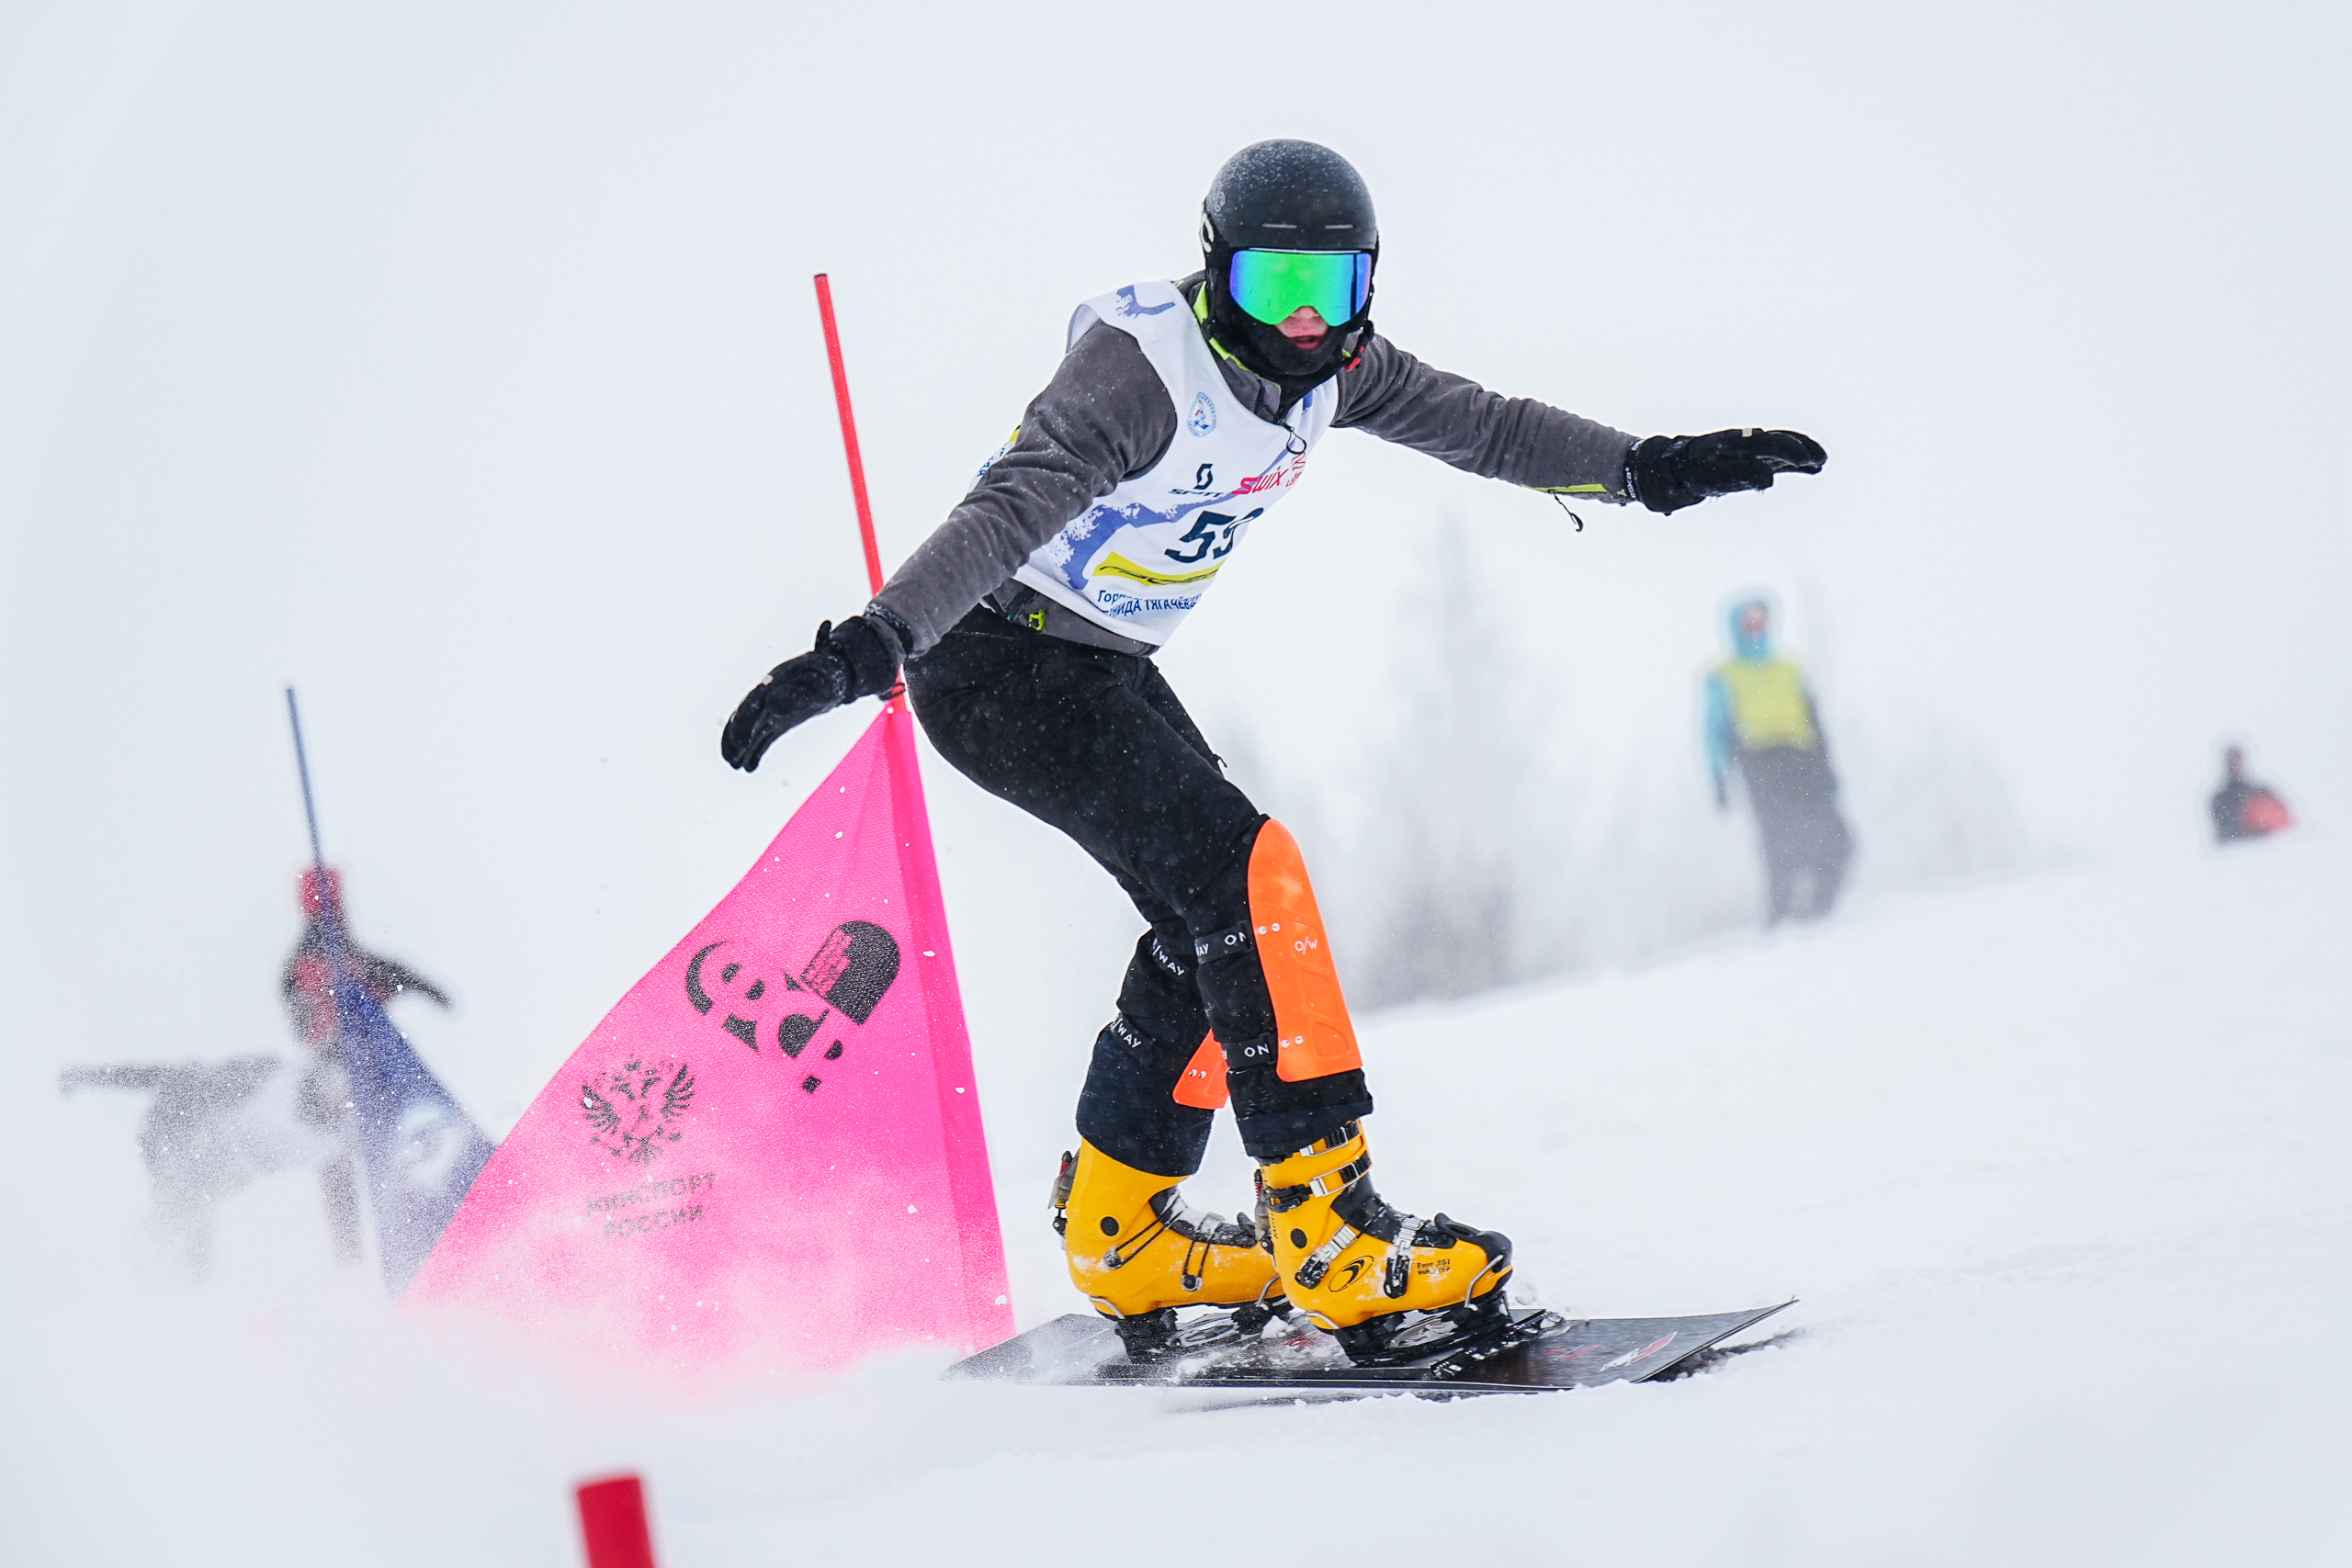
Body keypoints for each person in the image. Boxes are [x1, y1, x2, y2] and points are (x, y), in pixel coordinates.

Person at [720, 141, 1827, 1361]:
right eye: (1271, 283)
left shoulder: (1332, 370)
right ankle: (1327, 1223)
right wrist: (872, 641)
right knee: (1251, 874)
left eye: (1335, 287)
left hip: (1096, 663)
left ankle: (1122, 1227)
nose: (1303, 317)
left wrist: (1642, 470)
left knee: (1210, 918)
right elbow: (1013, 504)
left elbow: (1483, 424)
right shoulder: (1142, 373)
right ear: (1215, 273)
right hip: (995, 661)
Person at [280, 864, 452, 1263]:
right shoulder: (324, 953)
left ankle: (357, 1249)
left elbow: (386, 974)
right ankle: (374, 1246)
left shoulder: (329, 953)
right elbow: (381, 975)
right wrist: (421, 988)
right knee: (365, 1152)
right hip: (341, 1069)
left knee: (349, 1158)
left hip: (349, 1070)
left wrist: (422, 988)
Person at [1705, 596, 1852, 925]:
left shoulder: (1791, 669)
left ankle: (1822, 912)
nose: (1757, 628)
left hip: (1805, 758)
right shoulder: (1724, 676)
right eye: (1750, 622)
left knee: (1838, 839)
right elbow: (1713, 731)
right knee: (1781, 842)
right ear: (1737, 628)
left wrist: (1827, 766)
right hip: (1760, 762)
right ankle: (1781, 918)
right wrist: (1718, 777)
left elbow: (1815, 720)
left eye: (1762, 620)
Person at [2210, 745, 2293, 844]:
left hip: (2266, 849)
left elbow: (2284, 823)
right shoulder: (2220, 799)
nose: (2234, 765)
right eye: (2231, 761)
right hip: (2237, 853)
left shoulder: (2261, 793)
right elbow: (2225, 835)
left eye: (2236, 760)